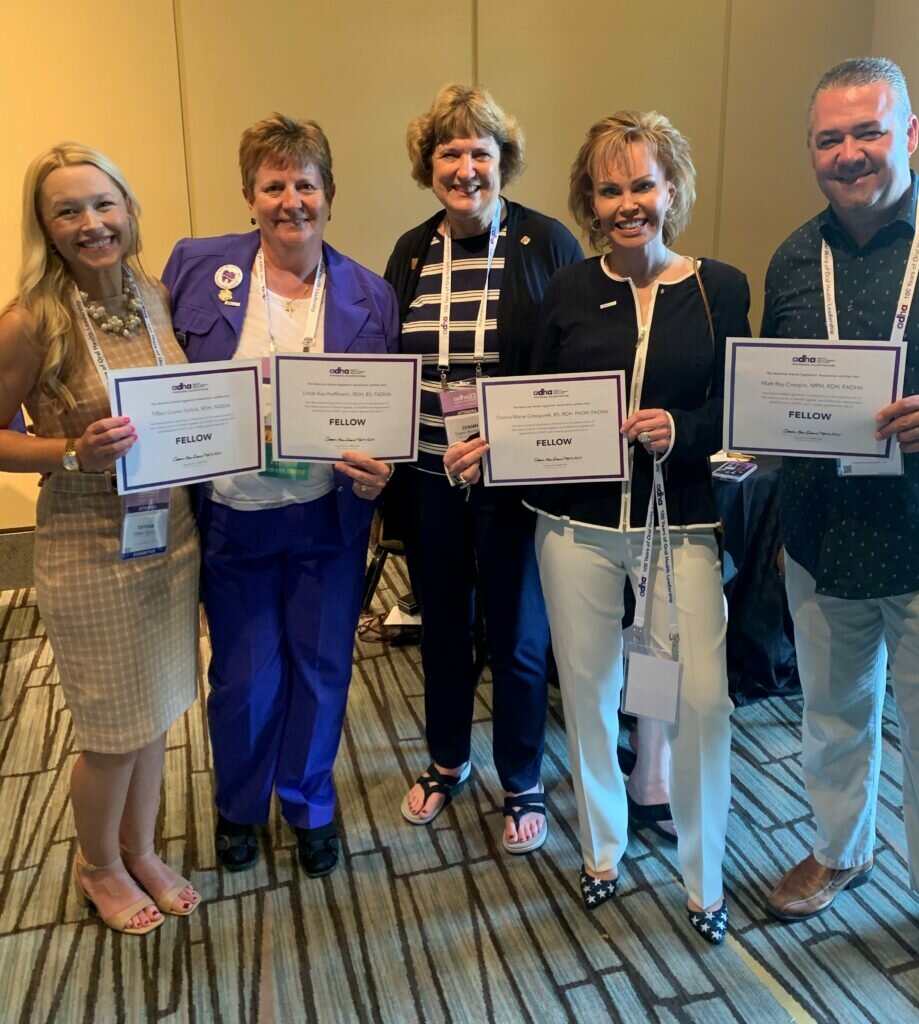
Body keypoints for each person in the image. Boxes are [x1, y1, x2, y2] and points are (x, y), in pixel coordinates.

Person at [761, 57, 919, 1011]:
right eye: (829, 138)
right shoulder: (789, 257)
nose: (849, 154)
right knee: (834, 715)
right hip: (823, 539)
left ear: (910, 133)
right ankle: (837, 850)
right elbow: (778, 390)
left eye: (868, 132)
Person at [527, 111, 749, 935]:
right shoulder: (567, 288)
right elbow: (534, 398)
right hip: (576, 527)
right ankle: (602, 851)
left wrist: (681, 430)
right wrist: (495, 441)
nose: (628, 203)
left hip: (680, 525)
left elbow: (736, 404)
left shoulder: (717, 286)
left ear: (673, 187)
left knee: (702, 700)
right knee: (589, 692)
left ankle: (704, 877)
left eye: (643, 184)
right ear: (591, 200)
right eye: (610, 188)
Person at [162, 114, 399, 878]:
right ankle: (238, 805)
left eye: (305, 183)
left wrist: (381, 468)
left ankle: (308, 803)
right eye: (274, 185)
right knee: (242, 673)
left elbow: (383, 416)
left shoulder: (369, 293)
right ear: (249, 195)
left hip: (328, 518)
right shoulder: (200, 268)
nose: (290, 199)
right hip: (234, 516)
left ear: (330, 194)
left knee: (322, 667)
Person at [0, 144, 201, 934]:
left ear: (129, 209)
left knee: (155, 712)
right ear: (45, 228)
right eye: (68, 211)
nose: (92, 224)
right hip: (88, 544)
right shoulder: (30, 321)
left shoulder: (151, 295)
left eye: (103, 204)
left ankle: (141, 849)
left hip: (167, 537)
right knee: (112, 731)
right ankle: (99, 865)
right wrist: (71, 449)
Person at [384, 84, 582, 852]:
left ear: (503, 163)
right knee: (442, 630)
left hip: (516, 484)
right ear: (427, 166)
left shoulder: (547, 243)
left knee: (519, 638)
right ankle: (446, 760)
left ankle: (522, 775)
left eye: (480, 153)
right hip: (433, 479)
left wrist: (510, 439)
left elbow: (567, 370)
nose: (465, 168)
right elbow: (392, 367)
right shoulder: (411, 249)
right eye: (450, 153)